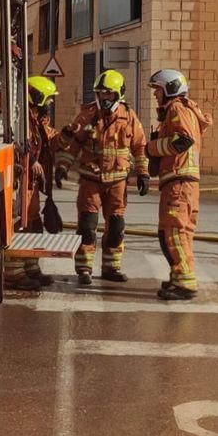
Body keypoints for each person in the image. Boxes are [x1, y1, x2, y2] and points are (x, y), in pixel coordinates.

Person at [53, 69, 148, 285]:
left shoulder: (129, 117)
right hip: (90, 181)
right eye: (101, 93)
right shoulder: (87, 114)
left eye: (109, 94)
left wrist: (143, 173)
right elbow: (73, 145)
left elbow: (140, 147)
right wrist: (62, 167)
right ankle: (84, 269)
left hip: (117, 183)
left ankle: (111, 268)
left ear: (118, 95)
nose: (104, 98)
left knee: (116, 227)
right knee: (87, 226)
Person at [146, 68, 211, 301]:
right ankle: (179, 276)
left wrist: (152, 148)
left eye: (158, 91)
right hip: (182, 184)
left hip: (179, 183)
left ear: (169, 89)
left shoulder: (176, 108)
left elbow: (183, 141)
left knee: (173, 233)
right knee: (177, 233)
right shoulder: (182, 110)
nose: (155, 96)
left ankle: (184, 282)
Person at [5, 76, 61, 292]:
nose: (50, 105)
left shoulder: (35, 121)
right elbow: (19, 146)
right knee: (19, 226)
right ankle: (13, 273)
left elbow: (49, 140)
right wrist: (33, 161)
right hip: (20, 182)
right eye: (48, 100)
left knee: (33, 225)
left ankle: (31, 266)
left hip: (31, 186)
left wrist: (69, 134)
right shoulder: (21, 120)